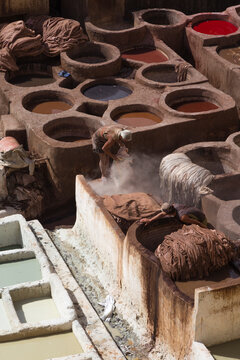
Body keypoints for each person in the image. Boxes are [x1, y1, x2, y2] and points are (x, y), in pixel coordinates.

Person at [140, 202, 208, 228]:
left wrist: (205, 227)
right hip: (196, 214)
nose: (164, 214)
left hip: (202, 220)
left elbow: (197, 222)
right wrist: (150, 220)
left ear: (168, 213)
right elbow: (162, 214)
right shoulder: (174, 205)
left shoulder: (182, 217)